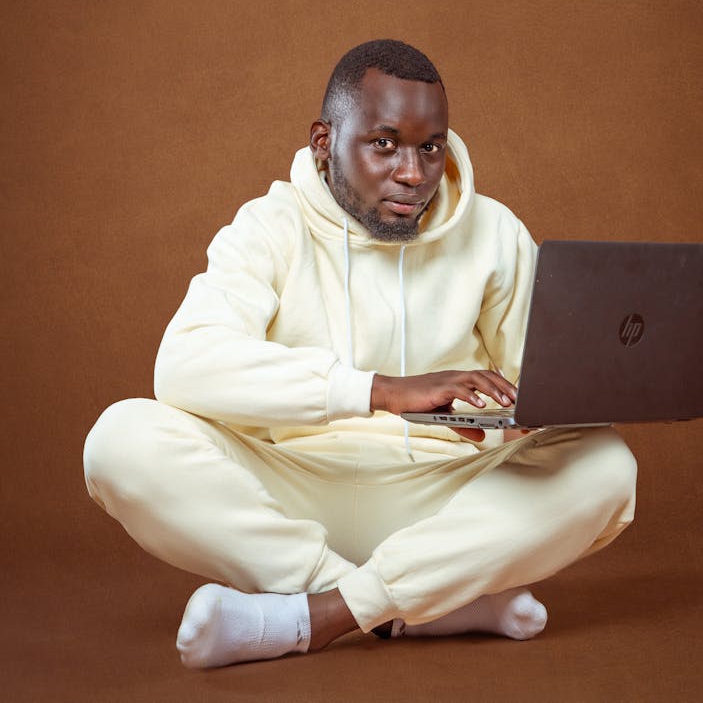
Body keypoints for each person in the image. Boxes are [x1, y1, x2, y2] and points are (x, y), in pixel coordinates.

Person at [83, 39, 637, 668]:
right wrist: (381, 390)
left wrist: (541, 407)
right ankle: (411, 607)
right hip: (288, 493)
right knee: (120, 439)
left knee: (605, 465)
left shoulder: (493, 233)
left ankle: (320, 615)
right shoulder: (268, 226)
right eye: (384, 144)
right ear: (325, 141)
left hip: (441, 500)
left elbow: (541, 384)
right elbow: (183, 365)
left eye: (430, 146)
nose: (413, 172)